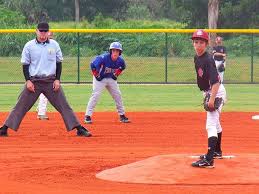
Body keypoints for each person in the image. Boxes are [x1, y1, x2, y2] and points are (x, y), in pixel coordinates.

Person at [0, 22, 92, 137]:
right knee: (20, 105)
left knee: (64, 105)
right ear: (36, 31)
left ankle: (79, 128)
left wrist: (57, 79)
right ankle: (4, 129)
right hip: (34, 82)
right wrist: (28, 80)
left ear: (48, 32)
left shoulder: (54, 45)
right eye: (41, 31)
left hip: (51, 81)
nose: (43, 33)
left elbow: (59, 63)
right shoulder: (29, 46)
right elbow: (25, 65)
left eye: (45, 31)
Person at [191, 29, 227, 168]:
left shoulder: (208, 60)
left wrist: (211, 99)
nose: (198, 45)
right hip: (209, 92)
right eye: (196, 42)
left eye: (201, 42)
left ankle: (209, 159)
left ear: (206, 44)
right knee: (215, 123)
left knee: (210, 125)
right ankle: (217, 151)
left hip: (215, 92)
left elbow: (216, 82)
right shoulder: (197, 58)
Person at [84, 42, 130, 124]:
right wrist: (96, 75)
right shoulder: (103, 58)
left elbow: (122, 67)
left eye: (117, 51)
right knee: (96, 95)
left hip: (111, 79)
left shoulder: (120, 61)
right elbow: (92, 65)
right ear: (110, 51)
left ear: (120, 52)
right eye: (113, 50)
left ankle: (122, 115)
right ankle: (88, 116)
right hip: (100, 80)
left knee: (118, 95)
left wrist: (116, 75)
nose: (115, 52)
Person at [37, 31, 54, 120]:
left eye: (51, 37)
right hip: (42, 75)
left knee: (42, 94)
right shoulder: (47, 48)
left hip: (48, 74)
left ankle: (40, 110)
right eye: (49, 37)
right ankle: (41, 113)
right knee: (45, 94)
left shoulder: (52, 46)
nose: (50, 38)